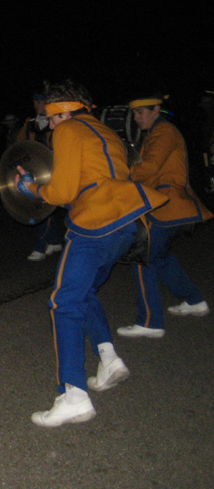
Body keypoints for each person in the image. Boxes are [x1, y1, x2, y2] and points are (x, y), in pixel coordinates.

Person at [14, 79, 168, 428]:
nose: (50, 125)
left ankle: (73, 395)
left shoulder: (67, 130)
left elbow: (63, 191)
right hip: (126, 224)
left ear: (65, 111)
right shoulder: (104, 131)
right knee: (82, 293)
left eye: (53, 118)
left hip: (95, 224)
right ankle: (109, 359)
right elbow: (92, 182)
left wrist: (31, 187)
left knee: (64, 302)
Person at [116, 93, 212, 339]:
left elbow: (149, 168)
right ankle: (194, 301)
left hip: (167, 204)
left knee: (142, 257)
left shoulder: (164, 131)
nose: (136, 118)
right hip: (168, 205)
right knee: (161, 257)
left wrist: (118, 175)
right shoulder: (157, 132)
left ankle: (149, 322)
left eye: (141, 112)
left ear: (156, 109)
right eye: (134, 114)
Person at [15, 92, 64, 260]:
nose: (38, 105)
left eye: (41, 102)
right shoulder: (30, 123)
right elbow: (19, 144)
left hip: (52, 170)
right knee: (40, 204)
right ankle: (55, 240)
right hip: (33, 170)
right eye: (35, 102)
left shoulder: (58, 123)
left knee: (42, 206)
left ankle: (40, 247)